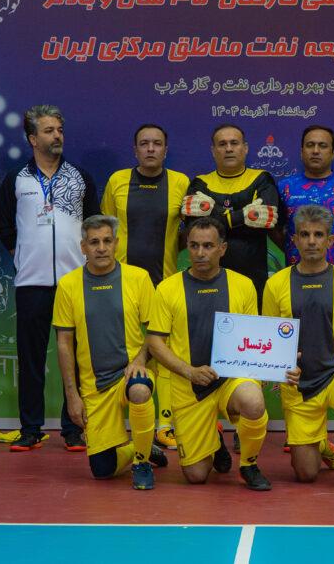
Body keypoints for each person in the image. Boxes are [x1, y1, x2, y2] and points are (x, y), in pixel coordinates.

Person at [146, 217, 294, 490]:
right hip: (189, 387)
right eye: (194, 246)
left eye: (208, 246)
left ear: (222, 248)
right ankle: (214, 443)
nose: (200, 253)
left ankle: (249, 464)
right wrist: (189, 371)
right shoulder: (167, 288)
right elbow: (155, 342)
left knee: (253, 401)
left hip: (231, 380)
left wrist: (281, 364)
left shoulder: (243, 285)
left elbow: (257, 337)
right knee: (196, 476)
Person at [0, 104, 99, 452]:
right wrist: (21, 254)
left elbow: (94, 224)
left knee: (78, 358)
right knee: (31, 358)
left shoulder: (80, 177)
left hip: (75, 282)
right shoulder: (16, 179)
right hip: (31, 283)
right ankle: (31, 429)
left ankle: (74, 428)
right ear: (32, 138)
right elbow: (3, 224)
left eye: (59, 130)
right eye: (49, 130)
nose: (57, 136)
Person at [262, 205, 334, 493]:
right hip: (298, 383)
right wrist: (283, 365)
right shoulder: (275, 284)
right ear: (294, 240)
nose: (311, 241)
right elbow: (269, 338)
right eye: (305, 234)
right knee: (306, 474)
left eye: (318, 235)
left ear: (330, 240)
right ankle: (322, 446)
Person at [52, 215, 168, 489]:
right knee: (102, 470)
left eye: (107, 241)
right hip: (95, 388)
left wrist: (140, 359)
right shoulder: (68, 285)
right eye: (94, 242)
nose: (101, 248)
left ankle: (141, 463)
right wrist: (72, 396)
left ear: (116, 243)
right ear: (83, 247)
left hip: (130, 373)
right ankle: (139, 447)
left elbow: (156, 331)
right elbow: (64, 343)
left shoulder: (138, 278)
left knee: (139, 390)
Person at [277, 125, 334, 452]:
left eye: (323, 145)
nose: (316, 151)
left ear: (333, 151)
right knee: (293, 349)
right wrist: (294, 254)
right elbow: (277, 230)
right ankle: (297, 428)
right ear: (301, 150)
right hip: (296, 280)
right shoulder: (284, 188)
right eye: (310, 145)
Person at [101, 123, 190, 452]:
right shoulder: (117, 181)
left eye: (157, 143)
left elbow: (191, 233)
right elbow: (106, 231)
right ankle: (122, 424)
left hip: (164, 283)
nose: (151, 149)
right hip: (123, 283)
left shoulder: (180, 183)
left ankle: (165, 426)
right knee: (127, 352)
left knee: (164, 352)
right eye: (144, 143)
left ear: (166, 150)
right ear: (135, 149)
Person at [182, 124, 281, 306]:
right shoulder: (200, 182)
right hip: (206, 280)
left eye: (234, 143)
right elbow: (197, 229)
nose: (228, 148)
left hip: (253, 278)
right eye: (222, 144)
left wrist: (212, 212)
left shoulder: (262, 179)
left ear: (245, 148)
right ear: (213, 150)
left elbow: (264, 220)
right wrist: (244, 216)